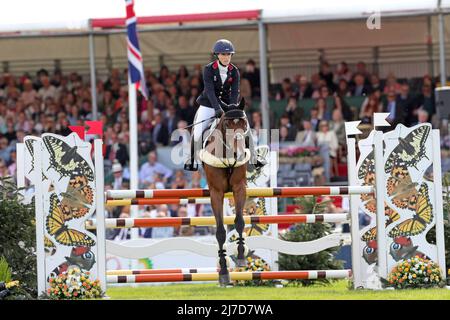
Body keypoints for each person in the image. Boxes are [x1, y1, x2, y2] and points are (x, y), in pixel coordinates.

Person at [184, 39, 265, 171]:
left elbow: (235, 92)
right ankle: (193, 160)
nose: (226, 57)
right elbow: (209, 91)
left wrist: (232, 108)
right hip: (209, 105)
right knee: (198, 130)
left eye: (228, 55)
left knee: (245, 125)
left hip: (228, 105)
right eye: (223, 54)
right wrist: (217, 108)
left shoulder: (235, 71)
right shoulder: (209, 69)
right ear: (217, 55)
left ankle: (254, 158)